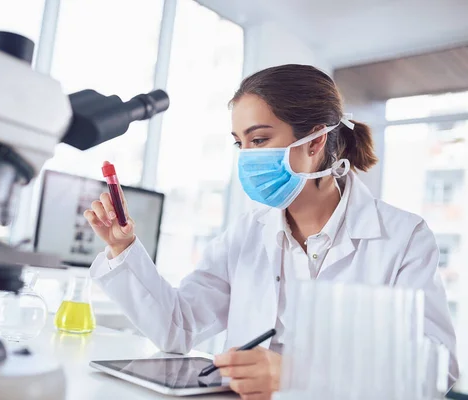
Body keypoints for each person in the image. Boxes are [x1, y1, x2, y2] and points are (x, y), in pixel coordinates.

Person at [84, 64, 458, 399]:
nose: (246, 156)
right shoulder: (247, 232)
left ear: (314, 142)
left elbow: (434, 371)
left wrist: (298, 377)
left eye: (259, 140)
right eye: (239, 142)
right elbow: (178, 327)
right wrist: (124, 248)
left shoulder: (402, 237)